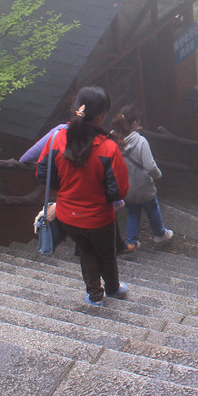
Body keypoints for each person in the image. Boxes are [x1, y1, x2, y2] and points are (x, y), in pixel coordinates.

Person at [36, 86, 130, 306]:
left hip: (68, 215)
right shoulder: (108, 148)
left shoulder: (57, 139)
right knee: (106, 255)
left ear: (76, 108)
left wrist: (65, 188)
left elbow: (43, 172)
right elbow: (119, 190)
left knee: (86, 252)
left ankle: (94, 295)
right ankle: (113, 289)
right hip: (99, 219)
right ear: (101, 116)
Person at [111, 104, 173, 252]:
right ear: (135, 123)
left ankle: (131, 242)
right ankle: (160, 235)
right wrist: (158, 175)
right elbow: (150, 166)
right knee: (152, 209)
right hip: (144, 187)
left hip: (126, 187)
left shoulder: (113, 139)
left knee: (133, 213)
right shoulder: (140, 142)